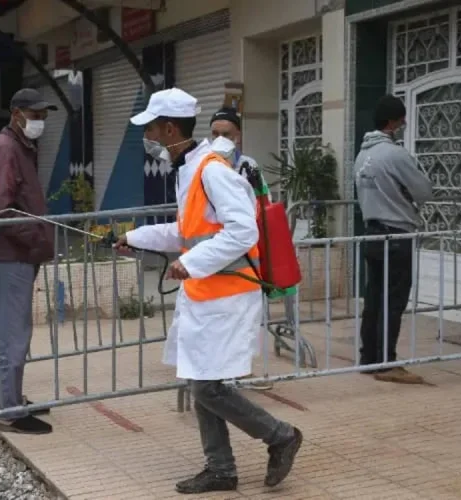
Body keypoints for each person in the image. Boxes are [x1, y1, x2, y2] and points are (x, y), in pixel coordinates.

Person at [116, 88, 302, 494]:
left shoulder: (212, 170)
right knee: (200, 379)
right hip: (206, 294)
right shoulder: (189, 170)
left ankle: (280, 435)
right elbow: (185, 233)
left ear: (169, 128)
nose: (148, 138)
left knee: (206, 386)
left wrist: (191, 263)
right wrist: (132, 237)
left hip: (229, 294)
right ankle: (220, 468)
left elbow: (243, 231)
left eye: (151, 129)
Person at [0, 88, 56, 434]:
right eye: (35, 115)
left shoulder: (21, 147)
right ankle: (10, 413)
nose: (40, 121)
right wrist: (36, 235)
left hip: (22, 253)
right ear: (16, 114)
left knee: (15, 331)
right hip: (13, 255)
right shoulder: (6, 149)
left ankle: (7, 398)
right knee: (14, 334)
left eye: (43, 115)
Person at [354, 94, 433, 384]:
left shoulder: (362, 155)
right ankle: (387, 362)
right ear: (392, 122)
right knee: (394, 300)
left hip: (372, 233)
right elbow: (424, 190)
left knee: (374, 298)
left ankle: (369, 358)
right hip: (396, 234)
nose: (404, 123)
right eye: (401, 118)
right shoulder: (395, 155)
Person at [209, 107, 274, 391]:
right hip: (212, 254)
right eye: (214, 134)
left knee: (243, 318)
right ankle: (214, 371)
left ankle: (238, 369)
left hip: (244, 256)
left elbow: (263, 206)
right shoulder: (205, 164)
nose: (220, 139)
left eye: (226, 134)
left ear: (238, 136)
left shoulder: (248, 167)